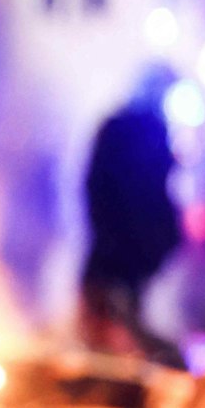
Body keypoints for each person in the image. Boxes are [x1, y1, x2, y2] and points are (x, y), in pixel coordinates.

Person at [79, 74, 183, 363]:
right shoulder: (146, 132)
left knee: (114, 329)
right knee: (113, 326)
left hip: (120, 252)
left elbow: (94, 185)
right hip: (123, 252)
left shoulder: (120, 128)